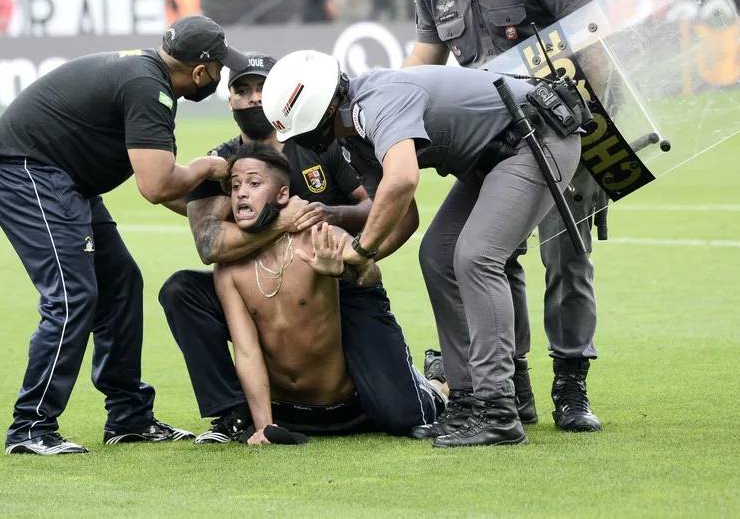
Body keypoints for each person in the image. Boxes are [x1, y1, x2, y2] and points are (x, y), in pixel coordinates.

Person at [260, 50, 582, 448]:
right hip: (496, 156)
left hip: (537, 140)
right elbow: (403, 215)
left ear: (321, 115)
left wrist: (360, 250)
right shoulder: (352, 138)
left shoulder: (377, 101)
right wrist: (362, 261)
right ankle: (467, 400)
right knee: (436, 256)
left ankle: (499, 408)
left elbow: (401, 182)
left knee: (476, 258)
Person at [391, 0, 604, 434]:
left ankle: (572, 387)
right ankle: (513, 385)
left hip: (564, 130)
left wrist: (594, 136)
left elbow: (595, 41)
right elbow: (426, 62)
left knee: (567, 259)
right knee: (490, 255)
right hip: (490, 141)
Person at [0, 15, 245, 455]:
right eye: (219, 68)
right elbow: (157, 185)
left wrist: (222, 219)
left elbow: (162, 191)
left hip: (63, 179)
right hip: (26, 173)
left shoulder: (147, 76)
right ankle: (30, 426)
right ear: (199, 71)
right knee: (71, 296)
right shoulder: (148, 87)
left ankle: (129, 416)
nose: (220, 76)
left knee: (120, 282)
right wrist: (206, 168)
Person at [158, 54, 440, 444]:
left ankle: (434, 381)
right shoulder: (221, 163)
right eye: (243, 90)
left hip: (337, 276)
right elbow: (208, 245)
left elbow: (385, 208)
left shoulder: (317, 140)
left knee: (404, 417)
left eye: (261, 89)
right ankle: (235, 415)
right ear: (230, 100)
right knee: (180, 291)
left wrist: (336, 229)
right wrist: (283, 223)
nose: (254, 98)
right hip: (262, 281)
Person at [214, 143, 398, 444]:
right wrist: (263, 428)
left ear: (283, 195)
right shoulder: (228, 270)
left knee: (406, 416)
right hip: (288, 413)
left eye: (254, 183)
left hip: (349, 408)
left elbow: (372, 276)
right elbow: (246, 352)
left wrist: (341, 270)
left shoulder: (317, 237)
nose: (241, 193)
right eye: (235, 187)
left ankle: (438, 382)